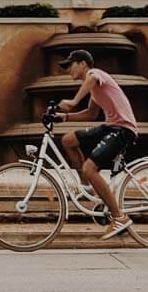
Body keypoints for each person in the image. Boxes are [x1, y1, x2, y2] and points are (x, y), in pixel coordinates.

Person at [53, 49, 138, 240]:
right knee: (68, 140)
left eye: (71, 65)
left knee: (90, 168)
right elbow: (90, 114)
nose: (68, 70)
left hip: (123, 130)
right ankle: (88, 187)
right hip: (110, 127)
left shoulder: (96, 74)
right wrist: (65, 117)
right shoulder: (94, 88)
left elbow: (92, 78)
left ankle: (119, 217)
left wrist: (73, 101)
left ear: (83, 64)